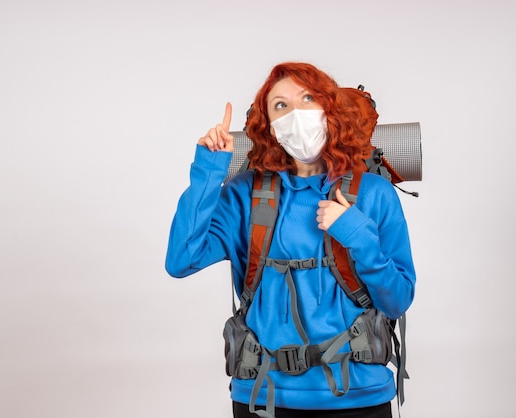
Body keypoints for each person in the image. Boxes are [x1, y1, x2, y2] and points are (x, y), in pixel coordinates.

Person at [165, 62, 416, 418]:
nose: (295, 113)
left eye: (308, 98)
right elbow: (180, 260)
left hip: (358, 397)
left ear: (329, 110)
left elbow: (397, 301)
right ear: (269, 126)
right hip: (264, 398)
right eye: (280, 106)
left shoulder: (374, 193)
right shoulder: (243, 195)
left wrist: (357, 234)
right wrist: (209, 169)